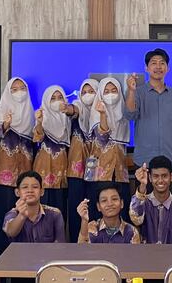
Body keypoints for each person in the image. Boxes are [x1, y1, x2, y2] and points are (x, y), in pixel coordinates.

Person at [124, 49, 172, 197]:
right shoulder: (138, 93)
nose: (158, 66)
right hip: (145, 162)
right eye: (153, 63)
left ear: (167, 68)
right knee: (144, 204)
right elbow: (130, 115)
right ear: (146, 68)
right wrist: (131, 91)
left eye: (162, 63)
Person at [0, 78, 36, 257]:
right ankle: (0, 259)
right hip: (4, 177)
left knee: (24, 217)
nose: (19, 92)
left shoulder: (31, 114)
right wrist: (6, 124)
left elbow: (37, 139)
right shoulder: (3, 110)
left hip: (25, 177)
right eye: (14, 89)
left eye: (22, 88)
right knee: (2, 216)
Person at [86, 77, 131, 217]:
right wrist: (103, 114)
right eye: (106, 91)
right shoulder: (96, 113)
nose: (110, 94)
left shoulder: (123, 117)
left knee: (122, 212)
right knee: (98, 214)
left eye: (114, 90)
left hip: (119, 172)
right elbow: (102, 137)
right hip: (98, 174)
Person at [129, 155, 172, 244]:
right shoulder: (143, 203)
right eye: (156, 176)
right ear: (150, 178)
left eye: (164, 176)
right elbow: (136, 219)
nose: (160, 180)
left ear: (171, 176)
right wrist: (142, 185)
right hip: (146, 252)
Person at [65, 79, 97, 241]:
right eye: (84, 92)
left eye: (91, 92)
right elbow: (74, 110)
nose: (87, 96)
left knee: (93, 208)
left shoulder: (104, 113)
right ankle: (74, 245)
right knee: (75, 209)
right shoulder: (79, 108)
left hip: (96, 169)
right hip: (76, 169)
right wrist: (68, 109)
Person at [32, 86, 70, 210]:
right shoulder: (42, 117)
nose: (57, 101)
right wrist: (39, 122)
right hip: (44, 166)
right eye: (52, 98)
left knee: (60, 204)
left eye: (60, 98)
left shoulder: (68, 119)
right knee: (43, 203)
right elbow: (37, 137)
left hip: (62, 166)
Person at [1, 171, 66, 243]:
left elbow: (60, 244)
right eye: (25, 187)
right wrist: (21, 216)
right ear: (17, 192)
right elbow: (10, 233)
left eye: (35, 187)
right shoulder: (12, 214)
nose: (30, 191)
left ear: (42, 191)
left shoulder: (55, 214)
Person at [75, 182, 141, 244]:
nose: (110, 204)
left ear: (121, 203)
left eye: (114, 199)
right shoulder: (91, 228)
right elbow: (82, 249)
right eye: (104, 200)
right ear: (98, 206)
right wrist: (84, 220)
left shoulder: (131, 231)